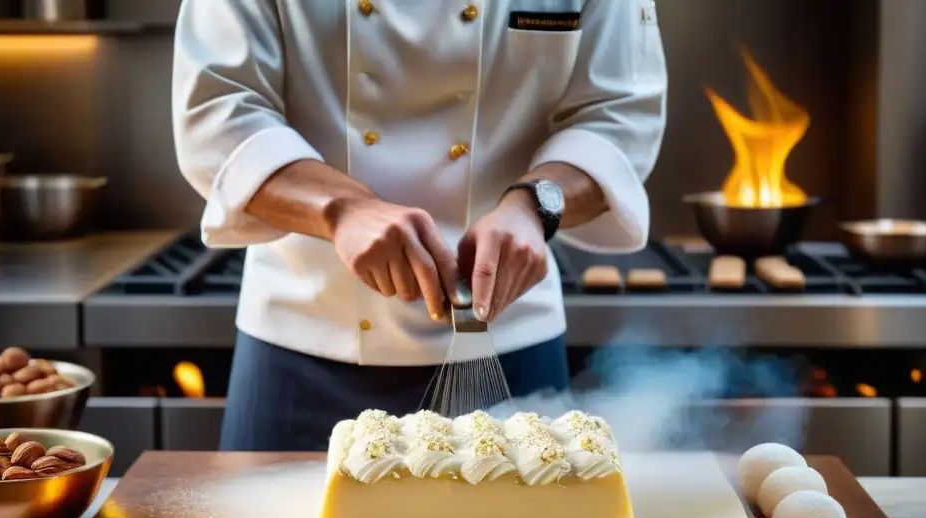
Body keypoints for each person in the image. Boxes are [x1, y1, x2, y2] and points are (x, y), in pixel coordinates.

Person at [172, 0, 667, 451]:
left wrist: (534, 208)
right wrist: (343, 208)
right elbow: (218, 112)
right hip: (303, 341)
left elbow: (619, 115)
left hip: (508, 340)